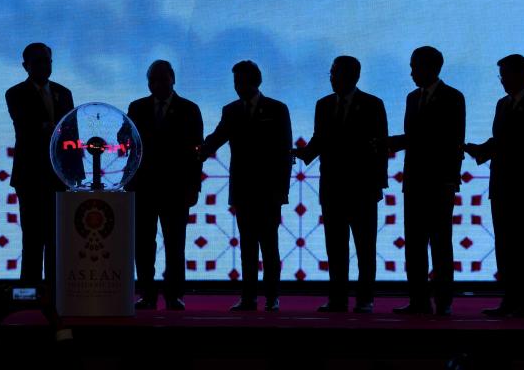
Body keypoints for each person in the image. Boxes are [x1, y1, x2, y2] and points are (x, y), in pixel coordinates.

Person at [294, 56, 388, 313]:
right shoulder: (323, 105)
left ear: (353, 76)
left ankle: (365, 299)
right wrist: (299, 154)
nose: (332, 77)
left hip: (363, 190)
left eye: (336, 73)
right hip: (332, 188)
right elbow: (319, 139)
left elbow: (381, 147)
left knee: (365, 248)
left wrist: (379, 184)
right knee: (335, 248)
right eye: (331, 73)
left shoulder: (372, 104)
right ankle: (337, 299)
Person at [198, 61, 292, 311]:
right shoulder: (231, 111)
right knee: (248, 247)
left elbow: (284, 153)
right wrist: (196, 152)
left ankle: (272, 297)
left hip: (269, 192)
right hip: (242, 191)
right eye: (235, 82)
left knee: (270, 247)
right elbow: (216, 139)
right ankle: (249, 297)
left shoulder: (277, 109)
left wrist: (282, 192)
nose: (237, 87)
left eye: (241, 81)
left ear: (255, 81)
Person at [387, 46, 465, 316]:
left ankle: (443, 301)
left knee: (441, 243)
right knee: (415, 243)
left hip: (440, 182)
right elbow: (413, 137)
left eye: (414, 67)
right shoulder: (412, 98)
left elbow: (453, 140)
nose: (411, 72)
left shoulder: (453, 97)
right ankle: (419, 299)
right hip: (415, 181)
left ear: (431, 68)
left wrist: (450, 179)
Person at [127, 60, 203, 310]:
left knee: (175, 244)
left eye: (162, 78)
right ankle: (147, 294)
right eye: (152, 80)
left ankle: (174, 295)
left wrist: (194, 188)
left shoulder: (190, 109)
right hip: (143, 188)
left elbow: (196, 154)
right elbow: (125, 138)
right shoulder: (137, 107)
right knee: (143, 244)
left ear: (173, 79)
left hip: (176, 189)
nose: (157, 84)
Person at [465, 54, 524, 317]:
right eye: (501, 75)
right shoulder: (502, 104)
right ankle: (510, 299)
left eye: (506, 74)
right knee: (506, 245)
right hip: (503, 186)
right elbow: (500, 140)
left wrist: (489, 149)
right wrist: (478, 150)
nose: (502, 80)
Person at [5, 43, 75, 286]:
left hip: (59, 177)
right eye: (38, 61)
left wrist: (76, 174)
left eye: (47, 60)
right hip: (30, 175)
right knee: (33, 237)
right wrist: (52, 129)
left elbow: (72, 133)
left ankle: (56, 292)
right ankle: (30, 291)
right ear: (26, 66)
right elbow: (27, 126)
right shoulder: (15, 93)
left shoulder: (63, 93)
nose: (44, 66)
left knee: (57, 238)